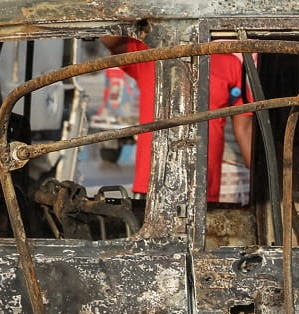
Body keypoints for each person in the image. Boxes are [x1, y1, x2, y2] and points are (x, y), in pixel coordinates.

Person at [102, 35, 257, 205]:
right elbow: (111, 39)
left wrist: (266, 183)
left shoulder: (229, 62)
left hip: (203, 185)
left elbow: (245, 129)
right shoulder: (147, 52)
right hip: (153, 183)